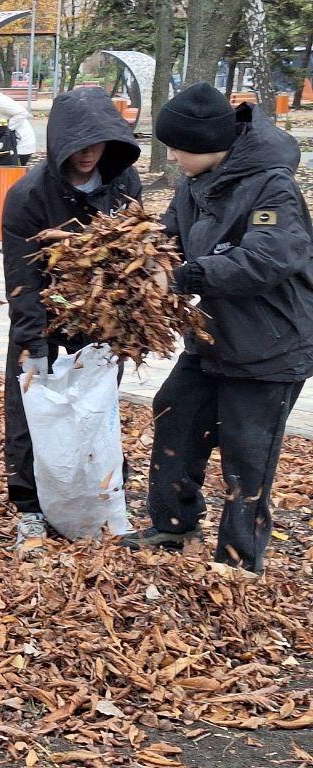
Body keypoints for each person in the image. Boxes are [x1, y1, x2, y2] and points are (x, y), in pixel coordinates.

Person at [122, 84, 313, 575]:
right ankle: (173, 522)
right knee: (175, 414)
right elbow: (169, 236)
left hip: (271, 343)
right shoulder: (193, 182)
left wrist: (186, 275)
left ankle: (237, 558)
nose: (171, 155)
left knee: (247, 455)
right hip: (214, 337)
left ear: (208, 144)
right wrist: (131, 255)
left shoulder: (272, 185)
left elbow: (268, 257)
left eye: (177, 147)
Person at [1, 87, 142, 548]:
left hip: (101, 319)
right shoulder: (27, 197)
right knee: (29, 408)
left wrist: (126, 325)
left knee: (97, 407)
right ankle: (29, 508)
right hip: (41, 314)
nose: (87, 155)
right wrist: (33, 350)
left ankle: (99, 493)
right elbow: (21, 281)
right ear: (59, 143)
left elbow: (133, 252)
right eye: (78, 146)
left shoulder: (124, 183)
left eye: (97, 145)